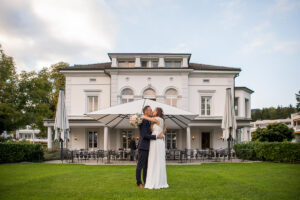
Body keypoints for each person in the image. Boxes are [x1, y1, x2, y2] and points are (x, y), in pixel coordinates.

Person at [136, 105, 163, 188]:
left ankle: (146, 181)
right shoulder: (142, 120)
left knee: (147, 166)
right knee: (140, 165)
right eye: (150, 110)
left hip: (150, 147)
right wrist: (155, 137)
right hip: (143, 146)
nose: (151, 111)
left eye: (152, 110)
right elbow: (144, 135)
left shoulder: (150, 121)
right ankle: (139, 183)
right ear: (146, 112)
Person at [143, 107, 169, 189]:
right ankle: (154, 180)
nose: (152, 111)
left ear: (157, 112)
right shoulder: (157, 120)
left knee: (156, 160)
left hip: (157, 141)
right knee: (154, 160)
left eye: (154, 110)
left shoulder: (158, 118)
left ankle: (157, 181)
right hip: (155, 140)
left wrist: (140, 116)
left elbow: (146, 117)